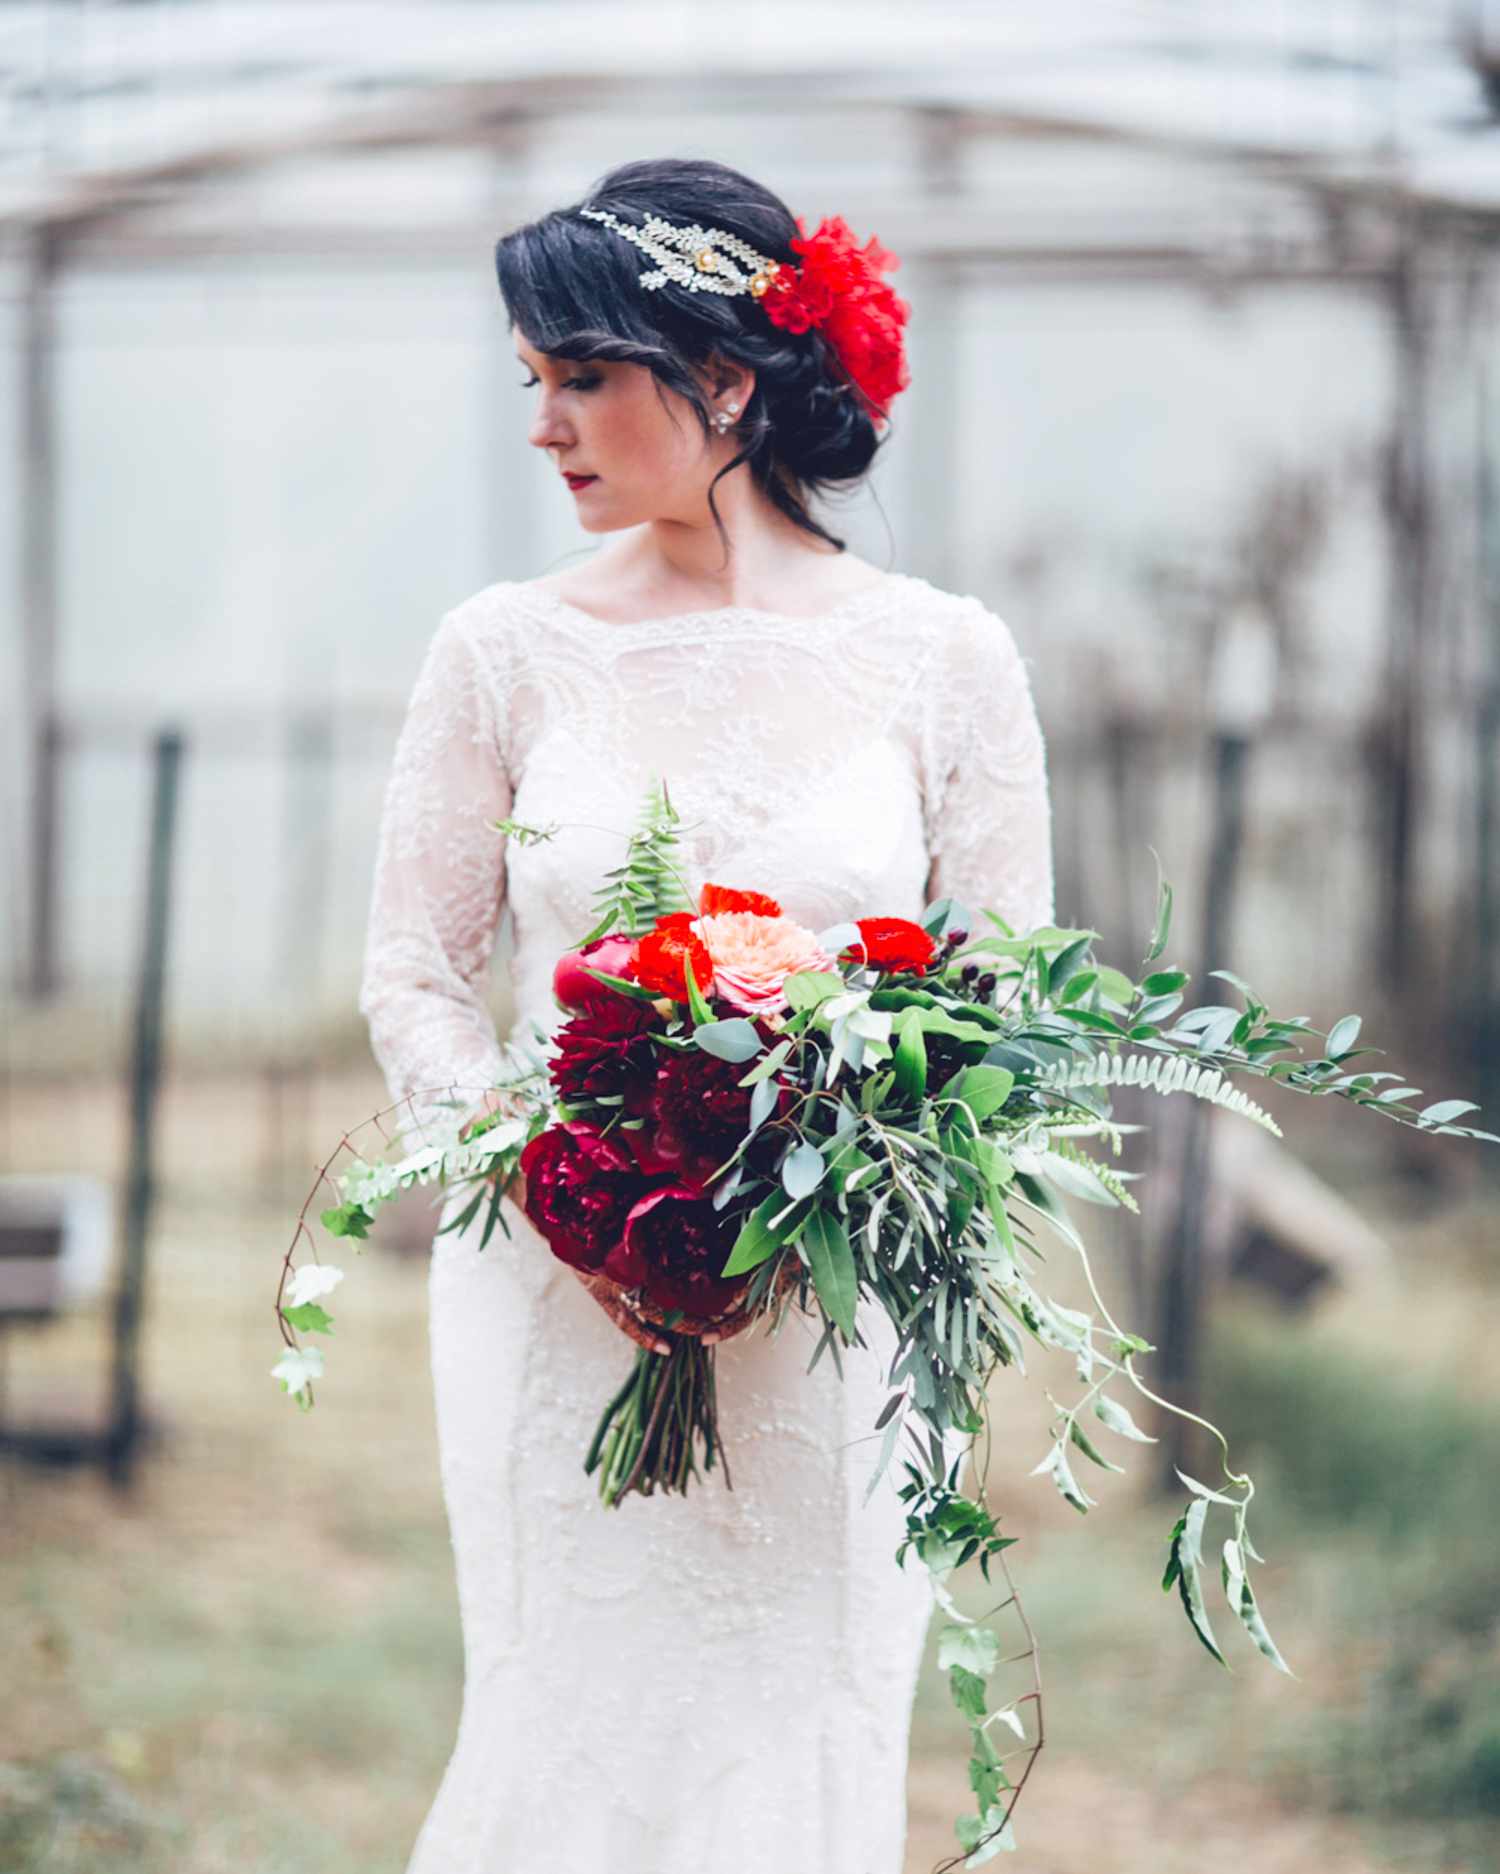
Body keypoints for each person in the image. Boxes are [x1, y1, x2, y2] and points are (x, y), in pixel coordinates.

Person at [358, 156, 1055, 1874]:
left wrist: (820, 1179)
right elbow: (417, 979)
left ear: (729, 379)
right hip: (557, 1294)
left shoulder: (946, 659)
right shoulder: (501, 652)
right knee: (560, 1733)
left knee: (801, 1747)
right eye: (535, 381)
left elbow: (1004, 998)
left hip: (834, 1315)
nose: (547, 425)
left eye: (581, 375)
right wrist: (566, 1191)